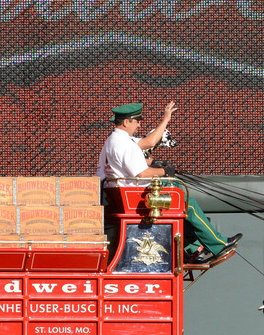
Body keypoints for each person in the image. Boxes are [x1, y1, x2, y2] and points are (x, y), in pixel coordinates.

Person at [96, 101, 241, 266]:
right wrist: (165, 171)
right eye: (136, 121)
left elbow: (142, 150)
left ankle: (193, 249)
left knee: (179, 196)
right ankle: (218, 244)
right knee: (187, 203)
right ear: (126, 122)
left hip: (123, 195)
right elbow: (141, 172)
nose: (139, 124)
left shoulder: (114, 140)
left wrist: (154, 162)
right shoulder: (123, 144)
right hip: (136, 196)